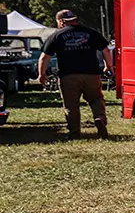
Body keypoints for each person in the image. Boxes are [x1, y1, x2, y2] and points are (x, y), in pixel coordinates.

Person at [38, 9, 112, 139]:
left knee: (71, 104)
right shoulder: (90, 32)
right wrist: (108, 66)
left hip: (68, 75)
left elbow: (45, 57)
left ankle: (74, 132)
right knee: (95, 99)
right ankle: (99, 118)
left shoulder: (57, 35)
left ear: (61, 21)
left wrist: (42, 74)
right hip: (91, 74)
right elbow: (106, 50)